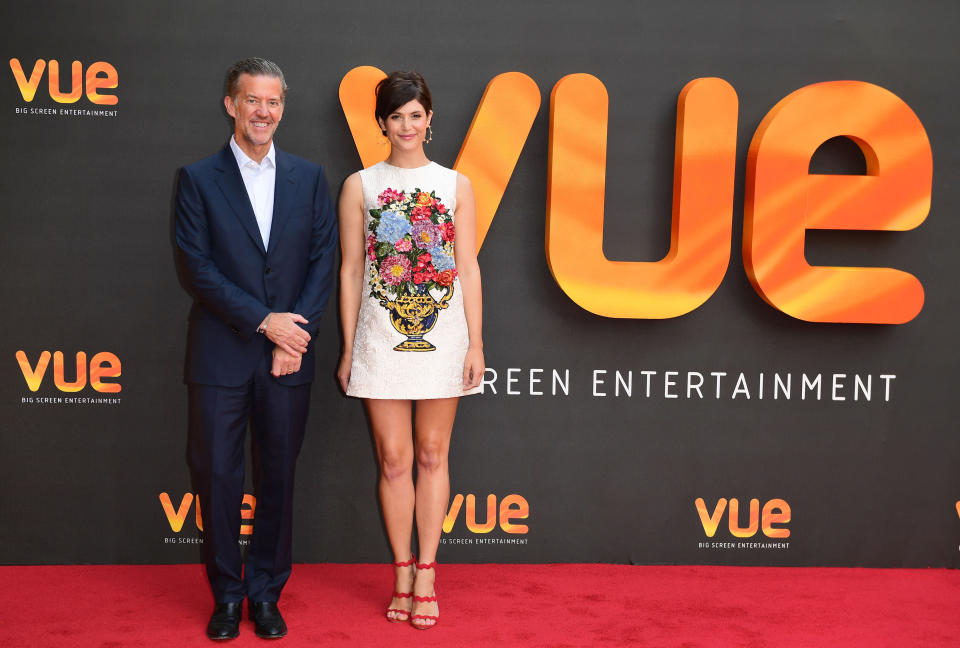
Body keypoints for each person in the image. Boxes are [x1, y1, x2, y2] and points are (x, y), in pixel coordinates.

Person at [174, 57, 337, 640]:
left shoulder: (309, 177)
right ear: (230, 104)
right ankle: (226, 595)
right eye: (252, 100)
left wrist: (297, 334)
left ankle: (266, 593)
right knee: (217, 475)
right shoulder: (197, 179)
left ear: (282, 108)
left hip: (289, 356)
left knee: (278, 480)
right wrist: (269, 323)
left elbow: (323, 262)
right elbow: (197, 269)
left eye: (273, 102)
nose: (263, 112)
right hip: (222, 355)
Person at [337, 70, 484, 630]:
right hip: (380, 338)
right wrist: (351, 347)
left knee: (431, 455)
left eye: (415, 114)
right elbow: (352, 270)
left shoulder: (455, 185)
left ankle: (427, 570)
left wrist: (476, 340)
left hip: (444, 338)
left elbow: (468, 267)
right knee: (394, 459)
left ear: (430, 119)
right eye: (395, 115)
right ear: (381, 122)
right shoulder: (361, 185)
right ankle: (400, 570)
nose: (406, 125)